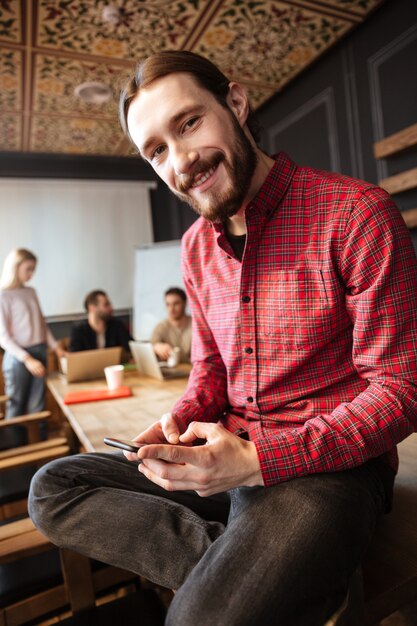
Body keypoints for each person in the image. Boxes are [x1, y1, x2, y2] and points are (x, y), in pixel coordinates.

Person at [29, 51, 417, 626]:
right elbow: (211, 367)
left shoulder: (357, 214)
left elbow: (402, 389)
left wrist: (259, 461)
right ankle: (288, 578)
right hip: (221, 452)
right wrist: (178, 422)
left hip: (328, 473)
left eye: (188, 124)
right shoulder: (192, 248)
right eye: (156, 150)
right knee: (54, 486)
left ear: (234, 103)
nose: (180, 161)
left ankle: (270, 576)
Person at [0, 248, 65, 421]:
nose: (31, 274)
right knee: (17, 404)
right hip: (19, 358)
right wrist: (27, 359)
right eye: (28, 269)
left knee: (38, 405)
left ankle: (41, 443)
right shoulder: (3, 295)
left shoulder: (31, 292)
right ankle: (16, 446)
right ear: (16, 266)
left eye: (33, 269)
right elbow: (3, 337)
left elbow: (41, 324)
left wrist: (55, 347)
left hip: (40, 351)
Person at [69, 289, 132, 360]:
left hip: (113, 369)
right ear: (92, 308)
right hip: (89, 370)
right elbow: (75, 359)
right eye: (106, 304)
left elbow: (131, 350)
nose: (111, 308)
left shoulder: (117, 326)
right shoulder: (78, 331)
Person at [151, 287, 192, 364]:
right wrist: (156, 347)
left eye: (176, 304)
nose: (171, 309)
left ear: (185, 303)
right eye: (168, 304)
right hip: (172, 371)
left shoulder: (196, 325)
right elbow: (152, 345)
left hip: (193, 370)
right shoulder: (161, 327)